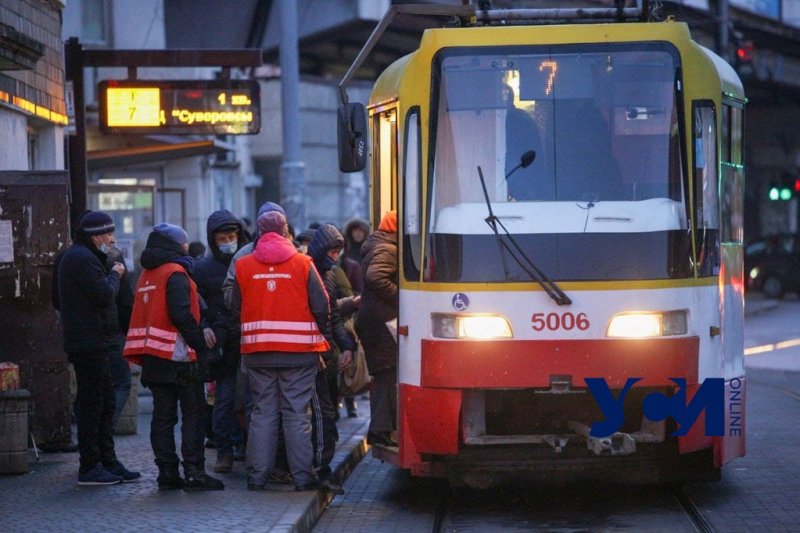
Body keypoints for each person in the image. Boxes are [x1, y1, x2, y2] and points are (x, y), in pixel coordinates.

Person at [227, 210, 330, 492]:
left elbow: (234, 307)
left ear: (259, 233)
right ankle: (303, 478)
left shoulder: (244, 266)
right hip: (299, 353)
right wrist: (326, 339)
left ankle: (257, 477)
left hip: (257, 353)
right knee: (297, 414)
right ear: (286, 232)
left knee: (262, 413)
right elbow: (322, 306)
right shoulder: (304, 263)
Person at [123, 223, 224, 492]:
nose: (187, 247)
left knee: (163, 417)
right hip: (179, 358)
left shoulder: (147, 274)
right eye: (184, 243)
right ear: (176, 247)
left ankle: (167, 473)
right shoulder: (175, 273)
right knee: (194, 415)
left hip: (154, 357)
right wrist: (200, 344)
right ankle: (194, 473)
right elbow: (181, 315)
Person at [57, 210, 140, 485]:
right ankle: (90, 466)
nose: (112, 239)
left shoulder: (83, 256)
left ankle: (108, 461)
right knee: (93, 405)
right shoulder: (81, 258)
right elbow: (104, 294)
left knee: (104, 402)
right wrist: (115, 274)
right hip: (88, 342)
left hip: (95, 341)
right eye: (107, 234)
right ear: (94, 236)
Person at [193, 210, 249, 474]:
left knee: (252, 400)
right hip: (225, 345)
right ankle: (224, 451)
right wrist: (205, 326)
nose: (227, 242)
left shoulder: (249, 259)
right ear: (212, 240)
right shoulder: (203, 268)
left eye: (231, 236)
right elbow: (197, 304)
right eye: (222, 238)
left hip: (249, 338)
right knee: (225, 401)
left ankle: (247, 448)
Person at [307, 224, 358, 493]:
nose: (335, 257)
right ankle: (320, 471)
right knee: (321, 414)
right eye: (332, 251)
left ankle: (322, 468)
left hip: (325, 355)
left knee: (326, 415)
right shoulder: (309, 272)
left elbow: (333, 317)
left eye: (338, 252)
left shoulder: (327, 274)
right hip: (313, 356)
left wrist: (346, 346)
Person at [356, 211, 399, 447]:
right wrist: (402, 297)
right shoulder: (388, 248)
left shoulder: (377, 245)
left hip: (373, 320)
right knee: (387, 373)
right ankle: (381, 431)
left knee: (385, 373)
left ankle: (380, 430)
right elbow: (376, 277)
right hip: (381, 321)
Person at [106, 244, 134, 431]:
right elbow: (125, 303)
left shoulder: (74, 258)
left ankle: (95, 431)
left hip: (85, 335)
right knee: (122, 384)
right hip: (113, 332)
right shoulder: (115, 262)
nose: (112, 238)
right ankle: (105, 428)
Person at [342, 218, 369, 295]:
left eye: (361, 231)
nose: (358, 233)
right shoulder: (344, 251)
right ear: (350, 232)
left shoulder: (369, 251)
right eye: (355, 231)